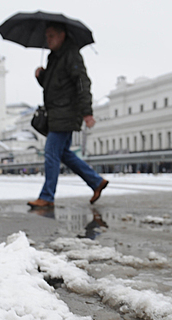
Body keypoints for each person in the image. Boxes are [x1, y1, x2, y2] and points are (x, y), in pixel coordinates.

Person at [27, 22, 108, 208]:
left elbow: (82, 82)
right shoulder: (54, 58)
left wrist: (87, 112)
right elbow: (55, 87)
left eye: (51, 35)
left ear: (62, 35)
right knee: (63, 153)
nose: (48, 39)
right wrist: (42, 76)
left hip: (66, 113)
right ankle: (96, 181)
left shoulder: (71, 55)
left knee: (51, 153)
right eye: (47, 36)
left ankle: (47, 197)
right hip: (57, 113)